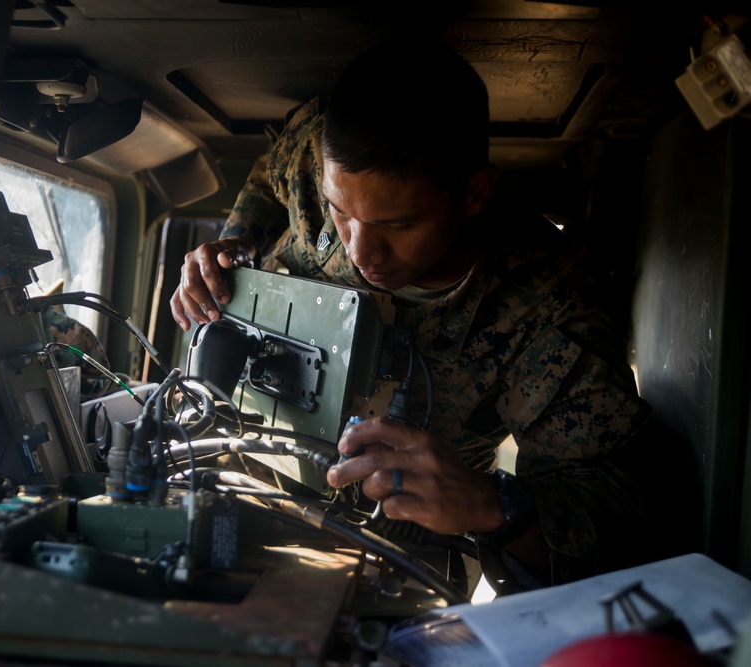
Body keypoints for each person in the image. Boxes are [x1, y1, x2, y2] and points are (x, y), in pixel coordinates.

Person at [169, 39, 654, 589]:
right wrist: (235, 239)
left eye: (396, 226)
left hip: (402, 548)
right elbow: (269, 173)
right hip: (231, 469)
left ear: (474, 193)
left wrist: (495, 505)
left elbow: (614, 515)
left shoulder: (551, 310)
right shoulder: (315, 147)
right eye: (339, 212)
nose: (359, 251)